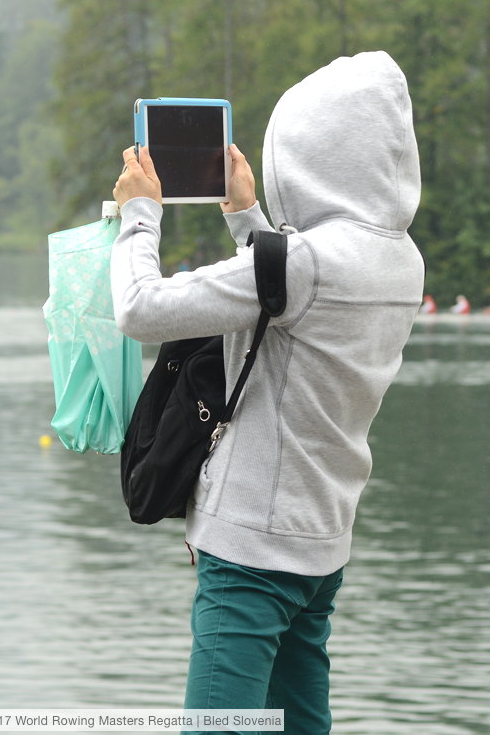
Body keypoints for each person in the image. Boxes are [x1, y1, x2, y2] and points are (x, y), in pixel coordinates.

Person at [111, 51, 424, 733]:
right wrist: (247, 216)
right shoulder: (402, 260)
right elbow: (292, 307)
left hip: (251, 553)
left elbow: (140, 308)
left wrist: (139, 216)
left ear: (310, 158)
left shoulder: (305, 262)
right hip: (322, 543)